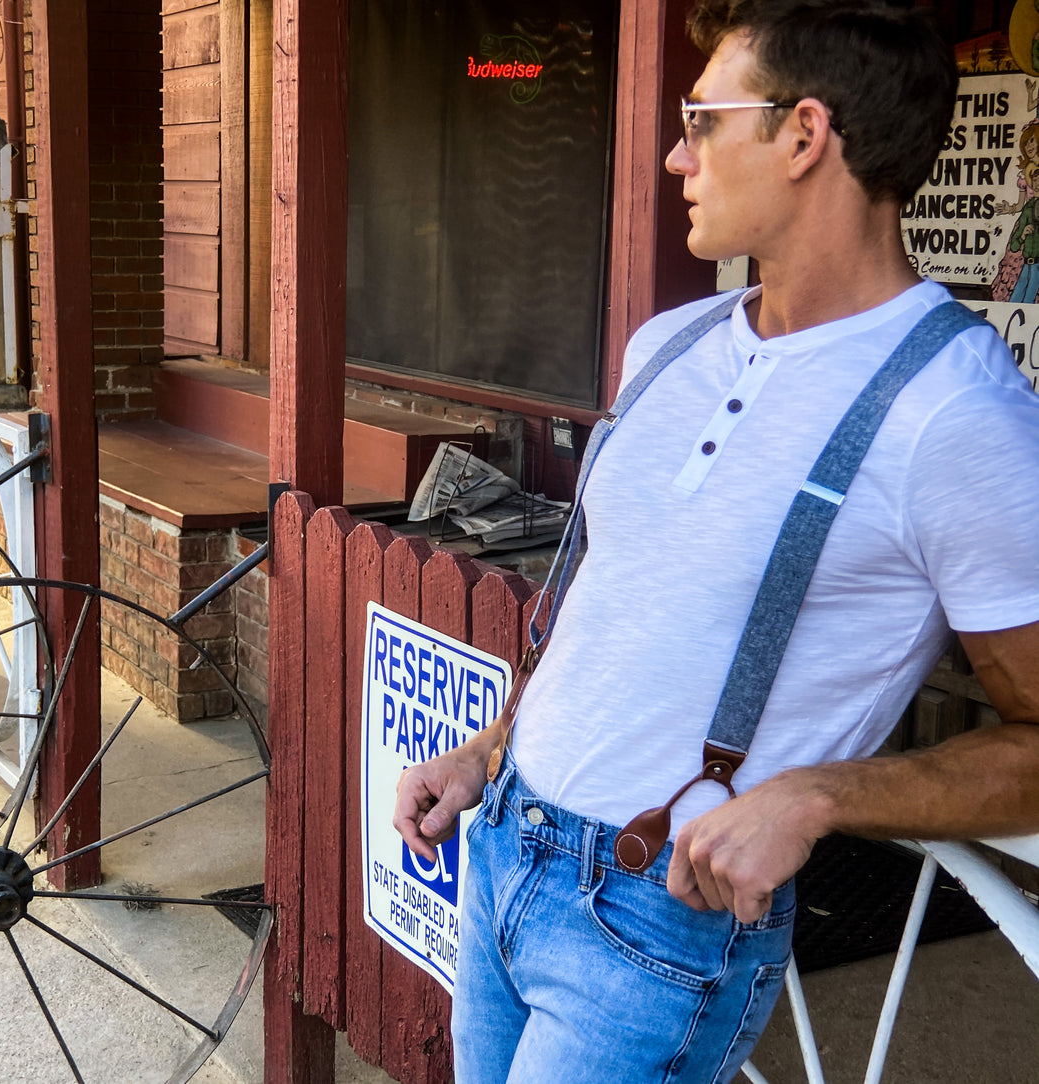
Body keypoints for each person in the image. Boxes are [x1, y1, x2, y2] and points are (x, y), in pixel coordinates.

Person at [393, 2, 1039, 1082]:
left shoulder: (956, 414)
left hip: (657, 920)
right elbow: (620, 609)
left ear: (802, 136)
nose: (670, 151)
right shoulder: (669, 342)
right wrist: (490, 748)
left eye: (700, 118)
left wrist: (818, 795)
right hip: (506, 846)